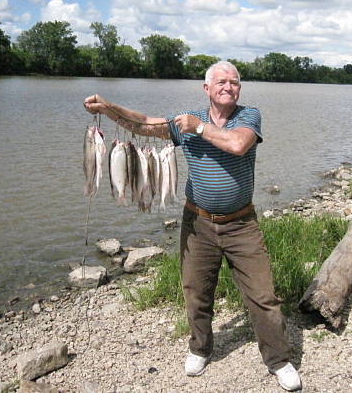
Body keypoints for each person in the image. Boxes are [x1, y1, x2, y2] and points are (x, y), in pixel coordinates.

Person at [83, 61, 302, 391]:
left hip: (241, 224)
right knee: (196, 293)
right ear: (207, 88)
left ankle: (279, 360)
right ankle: (200, 348)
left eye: (234, 82)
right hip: (197, 223)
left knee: (263, 297)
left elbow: (237, 144)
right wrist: (108, 107)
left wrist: (198, 128)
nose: (229, 87)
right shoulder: (186, 120)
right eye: (221, 82)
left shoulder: (248, 116)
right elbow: (143, 125)